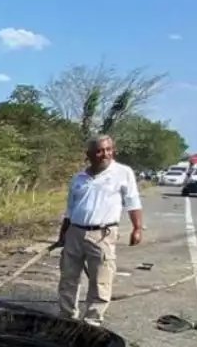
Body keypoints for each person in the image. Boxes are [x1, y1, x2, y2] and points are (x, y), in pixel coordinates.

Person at [55, 135, 143, 325]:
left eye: (108, 149)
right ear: (89, 155)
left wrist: (137, 228)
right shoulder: (79, 178)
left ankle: (93, 320)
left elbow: (133, 202)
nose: (105, 154)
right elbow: (70, 210)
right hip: (75, 233)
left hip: (102, 234)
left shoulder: (122, 173)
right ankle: (67, 315)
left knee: (101, 279)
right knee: (68, 276)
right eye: (100, 150)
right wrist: (63, 234)